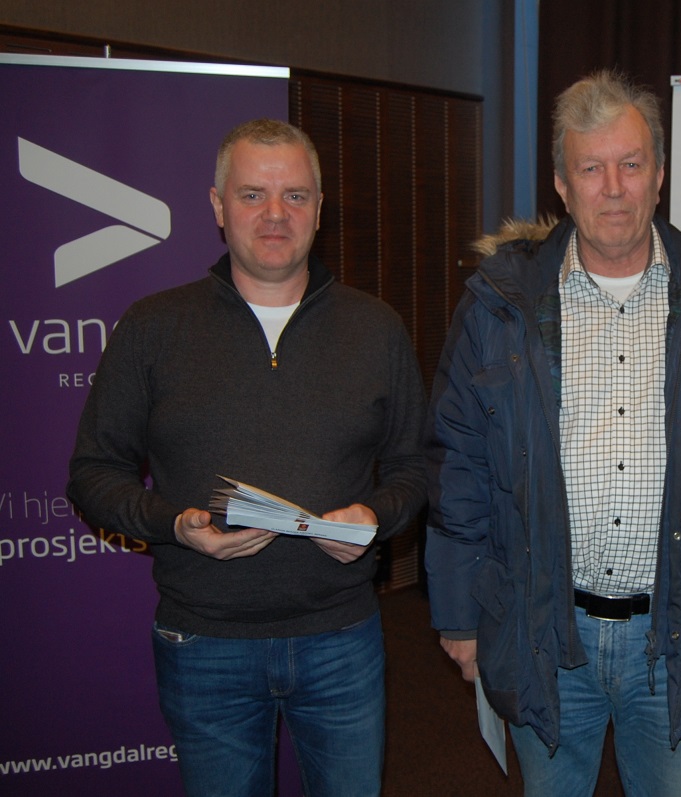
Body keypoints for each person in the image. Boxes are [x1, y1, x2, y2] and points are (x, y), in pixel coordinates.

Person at [424, 69, 681, 797]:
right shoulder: (498, 304)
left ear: (659, 174)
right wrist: (459, 614)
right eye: (591, 169)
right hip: (541, 627)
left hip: (679, 628)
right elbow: (457, 462)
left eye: (630, 163)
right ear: (562, 185)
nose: (614, 188)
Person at [67, 118, 427, 797]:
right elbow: (93, 472)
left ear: (319, 209)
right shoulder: (153, 326)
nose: (275, 214)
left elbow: (416, 464)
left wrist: (376, 516)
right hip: (205, 645)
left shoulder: (374, 327)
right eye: (253, 194)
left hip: (341, 638)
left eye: (295, 195)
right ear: (217, 206)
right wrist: (174, 525)